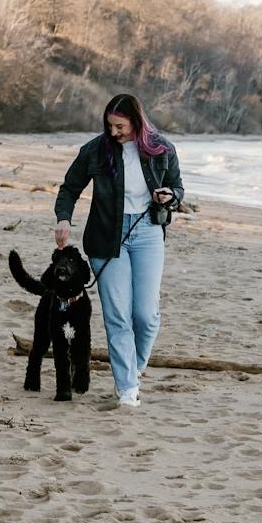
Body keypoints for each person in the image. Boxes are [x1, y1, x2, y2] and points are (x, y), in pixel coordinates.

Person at [53, 93, 184, 409]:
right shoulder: (96, 150)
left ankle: (134, 368)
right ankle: (127, 388)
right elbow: (70, 187)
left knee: (146, 315)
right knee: (117, 314)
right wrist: (63, 219)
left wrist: (169, 197)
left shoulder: (162, 149)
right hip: (105, 237)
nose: (113, 132)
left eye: (120, 126)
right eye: (109, 126)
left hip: (148, 232)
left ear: (136, 122)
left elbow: (178, 189)